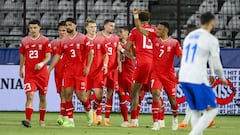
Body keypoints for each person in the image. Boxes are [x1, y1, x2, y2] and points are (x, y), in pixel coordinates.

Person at [133, 9, 182, 130]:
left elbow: (182, 57)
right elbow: (139, 28)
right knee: (155, 94)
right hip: (156, 74)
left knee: (173, 100)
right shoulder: (154, 38)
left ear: (165, 30)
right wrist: (135, 15)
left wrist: (181, 70)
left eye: (159, 29)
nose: (157, 30)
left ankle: (175, 118)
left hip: (169, 75)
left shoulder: (174, 43)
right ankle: (156, 123)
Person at [179, 12, 227, 135]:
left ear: (200, 22)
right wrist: (222, 77)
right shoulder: (211, 39)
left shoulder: (189, 36)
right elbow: (216, 63)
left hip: (184, 77)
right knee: (212, 110)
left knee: (195, 111)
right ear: (212, 23)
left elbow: (184, 57)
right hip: (197, 78)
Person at [48, 18, 94, 127]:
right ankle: (70, 120)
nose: (68, 27)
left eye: (70, 25)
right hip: (68, 72)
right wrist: (49, 69)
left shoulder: (83, 38)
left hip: (80, 72)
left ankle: (89, 111)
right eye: (66, 25)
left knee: (81, 96)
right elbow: (58, 55)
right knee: (67, 94)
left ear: (75, 26)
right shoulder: (63, 41)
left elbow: (91, 53)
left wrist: (87, 67)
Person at [119, 10, 157, 128]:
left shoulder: (135, 31)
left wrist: (121, 50)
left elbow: (128, 49)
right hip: (155, 63)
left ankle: (134, 120)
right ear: (148, 20)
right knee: (156, 93)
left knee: (133, 92)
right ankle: (159, 121)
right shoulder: (155, 30)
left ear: (139, 20)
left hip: (143, 64)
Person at [178, 24, 216, 129]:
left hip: (198, 74)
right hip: (191, 73)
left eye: (187, 30)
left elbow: (210, 58)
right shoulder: (189, 41)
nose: (186, 32)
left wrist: (212, 73)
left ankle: (190, 121)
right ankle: (205, 119)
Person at [19, 19, 52, 128]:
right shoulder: (24, 41)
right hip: (30, 74)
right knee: (30, 95)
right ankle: (27, 120)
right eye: (31, 28)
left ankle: (42, 120)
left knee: (42, 97)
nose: (33, 30)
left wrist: (42, 63)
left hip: (42, 74)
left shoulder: (45, 41)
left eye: (35, 28)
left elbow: (48, 56)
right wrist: (20, 69)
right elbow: (22, 56)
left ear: (39, 28)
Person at [95, 19, 121, 126]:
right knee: (100, 93)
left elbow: (118, 52)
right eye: (110, 26)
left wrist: (119, 63)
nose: (112, 28)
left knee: (110, 93)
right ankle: (98, 116)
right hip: (101, 69)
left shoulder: (116, 38)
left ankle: (107, 118)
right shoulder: (98, 36)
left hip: (113, 69)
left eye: (113, 26)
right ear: (105, 26)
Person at [84, 19, 109, 125]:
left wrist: (105, 65)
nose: (93, 29)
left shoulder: (101, 40)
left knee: (99, 95)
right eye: (91, 27)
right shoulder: (83, 40)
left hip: (98, 71)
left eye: (94, 27)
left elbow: (106, 54)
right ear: (86, 28)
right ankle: (90, 114)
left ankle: (94, 111)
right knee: (86, 96)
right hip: (86, 72)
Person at [50, 21, 68, 125]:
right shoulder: (53, 43)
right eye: (60, 30)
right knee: (62, 95)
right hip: (58, 72)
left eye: (64, 30)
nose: (62, 32)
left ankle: (64, 115)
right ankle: (63, 115)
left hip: (70, 72)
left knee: (67, 94)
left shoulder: (72, 42)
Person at [117, 26, 135, 127]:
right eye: (118, 32)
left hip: (130, 75)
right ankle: (125, 120)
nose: (119, 33)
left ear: (127, 33)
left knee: (133, 98)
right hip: (120, 76)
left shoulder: (131, 44)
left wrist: (122, 50)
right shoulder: (117, 44)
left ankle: (134, 119)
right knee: (121, 98)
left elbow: (133, 56)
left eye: (121, 32)